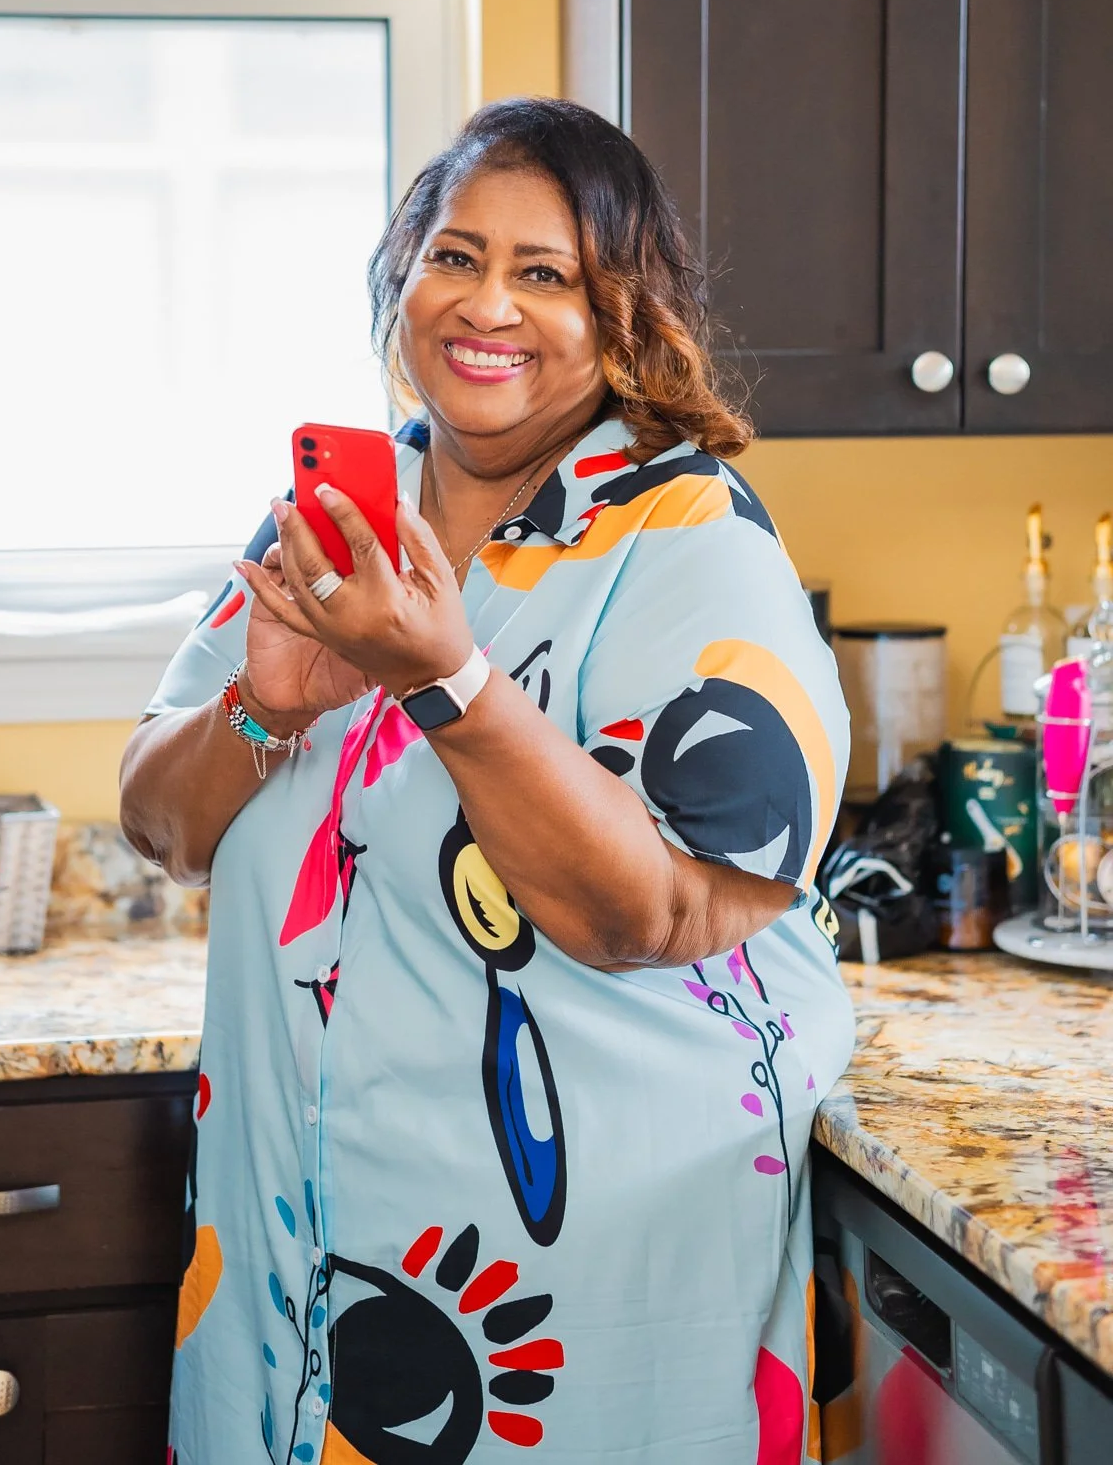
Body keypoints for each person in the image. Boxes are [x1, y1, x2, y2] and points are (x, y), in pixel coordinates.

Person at [121, 97, 853, 1465]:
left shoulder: (688, 538)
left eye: (546, 274)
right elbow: (161, 823)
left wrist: (445, 681)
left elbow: (654, 913)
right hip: (295, 1280)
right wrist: (256, 704)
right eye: (456, 256)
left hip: (561, 1318)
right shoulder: (339, 521)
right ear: (401, 273)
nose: (488, 307)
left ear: (619, 315)